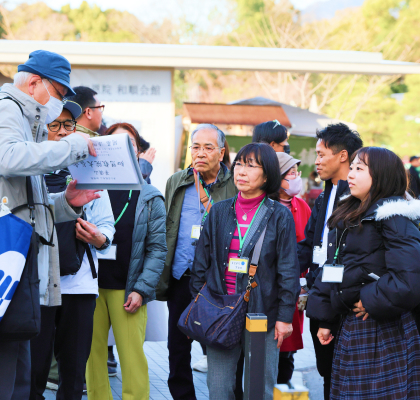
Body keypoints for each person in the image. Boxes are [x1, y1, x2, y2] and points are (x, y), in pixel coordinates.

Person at [0, 50, 99, 399]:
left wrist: (66, 202)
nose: (58, 105)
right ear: (34, 83)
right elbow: (7, 158)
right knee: (9, 373)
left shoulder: (29, 121)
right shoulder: (7, 108)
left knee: (20, 376)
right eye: (57, 93)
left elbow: (30, 205)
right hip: (10, 263)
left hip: (22, 265)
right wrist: (72, 146)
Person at [307, 147, 420, 399]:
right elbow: (333, 267)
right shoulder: (351, 213)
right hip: (352, 323)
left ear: (381, 176)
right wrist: (325, 319)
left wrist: (369, 300)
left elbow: (409, 278)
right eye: (352, 168)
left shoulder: (395, 218)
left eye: (359, 169)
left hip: (384, 329)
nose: (350, 174)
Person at [190, 142, 300, 400]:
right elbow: (200, 265)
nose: (241, 171)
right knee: (218, 389)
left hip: (262, 312)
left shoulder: (279, 215)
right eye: (239, 163)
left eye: (251, 166)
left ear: (267, 175)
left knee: (259, 389)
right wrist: (199, 306)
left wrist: (285, 317)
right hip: (220, 311)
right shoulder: (219, 211)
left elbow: (288, 271)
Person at [30, 101, 115, 400]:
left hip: (80, 285)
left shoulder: (88, 168)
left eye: (68, 125)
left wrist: (99, 239)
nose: (63, 131)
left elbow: (106, 225)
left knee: (74, 372)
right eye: (55, 124)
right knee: (33, 371)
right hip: (37, 285)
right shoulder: (28, 169)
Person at [85, 122, 167, 400]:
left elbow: (157, 249)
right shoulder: (89, 188)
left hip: (128, 288)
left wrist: (141, 289)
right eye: (114, 141)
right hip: (91, 286)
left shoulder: (149, 195)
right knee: (92, 358)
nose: (121, 147)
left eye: (129, 143)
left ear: (138, 151)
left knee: (132, 359)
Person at [155, 123, 237, 400]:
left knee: (220, 342)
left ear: (221, 152)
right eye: (196, 147)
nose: (200, 153)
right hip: (181, 275)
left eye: (208, 147)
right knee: (177, 346)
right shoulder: (177, 181)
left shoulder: (235, 184)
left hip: (218, 281)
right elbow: (168, 227)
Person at [297, 123, 363, 400]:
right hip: (320, 294)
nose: (317, 161)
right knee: (327, 371)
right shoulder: (325, 195)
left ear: (343, 156)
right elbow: (309, 244)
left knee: (344, 375)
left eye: (322, 154)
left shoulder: (360, 199)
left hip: (347, 300)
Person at [275, 153, 311, 384]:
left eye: (296, 173)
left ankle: (283, 385)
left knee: (288, 347)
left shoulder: (302, 206)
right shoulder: (265, 205)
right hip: (267, 287)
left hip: (295, 286)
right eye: (290, 173)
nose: (295, 177)